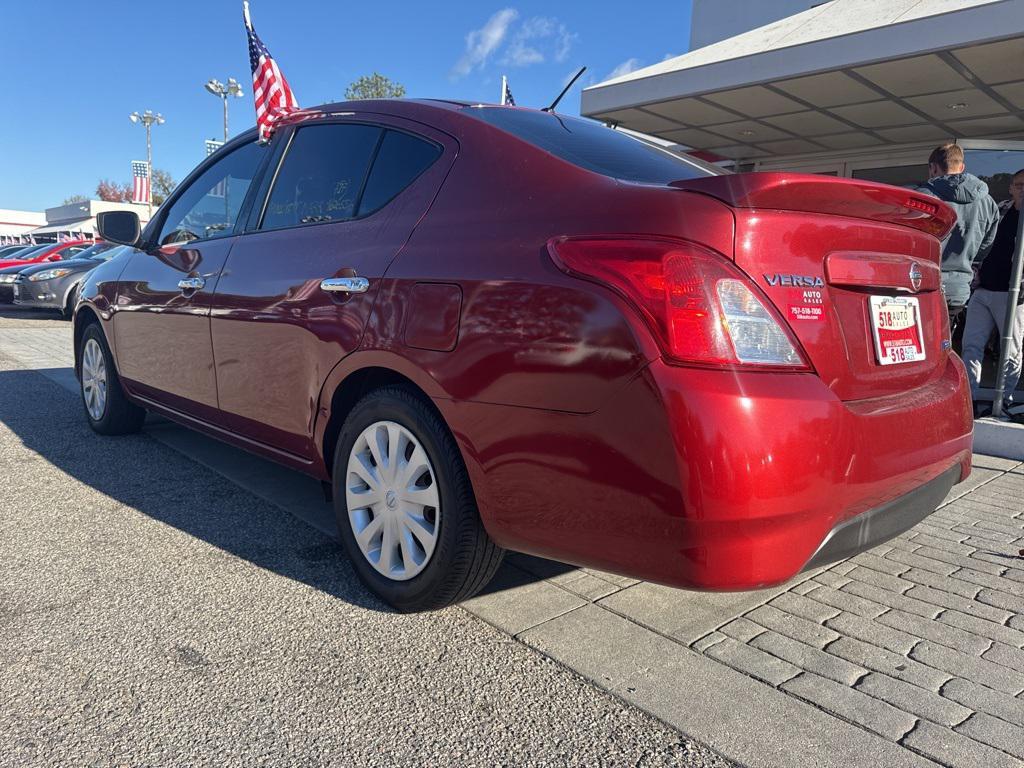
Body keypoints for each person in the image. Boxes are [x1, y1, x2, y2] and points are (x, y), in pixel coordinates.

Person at [918, 144, 1000, 334]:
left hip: (922, 284)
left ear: (933, 168)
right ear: (961, 167)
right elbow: (984, 248)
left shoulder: (924, 197)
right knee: (944, 347)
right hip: (958, 290)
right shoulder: (988, 203)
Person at [962, 168, 1024, 417]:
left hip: (1013, 295)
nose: (1022, 189)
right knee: (971, 346)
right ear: (1010, 187)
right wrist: (974, 271)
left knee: (1011, 351)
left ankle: (1004, 401)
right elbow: (980, 241)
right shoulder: (1000, 210)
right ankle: (968, 400)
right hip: (984, 290)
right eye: (1019, 184)